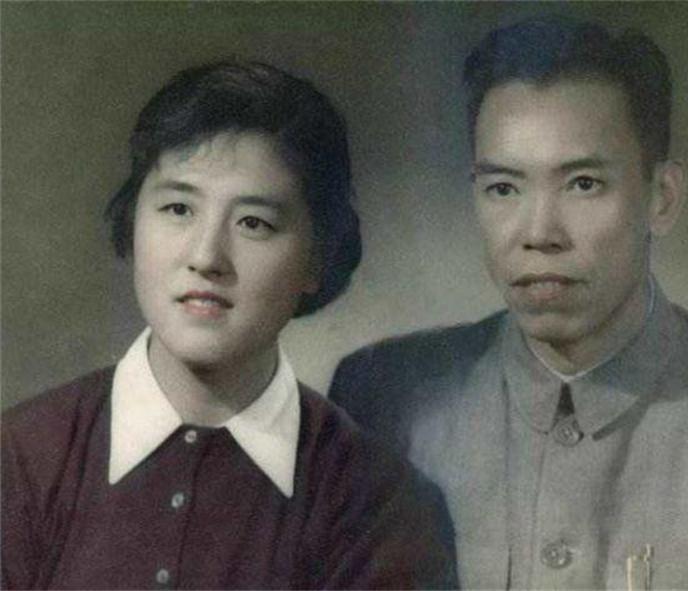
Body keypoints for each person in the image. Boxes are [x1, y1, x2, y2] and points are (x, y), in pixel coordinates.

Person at [329, 17, 688, 589]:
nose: (539, 233)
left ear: (662, 198)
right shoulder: (380, 400)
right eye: (504, 188)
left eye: (583, 184)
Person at [1, 60, 457, 590]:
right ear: (133, 220)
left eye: (253, 223)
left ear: (317, 258)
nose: (206, 257)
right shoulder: (20, 458)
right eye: (178, 209)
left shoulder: (380, 505)